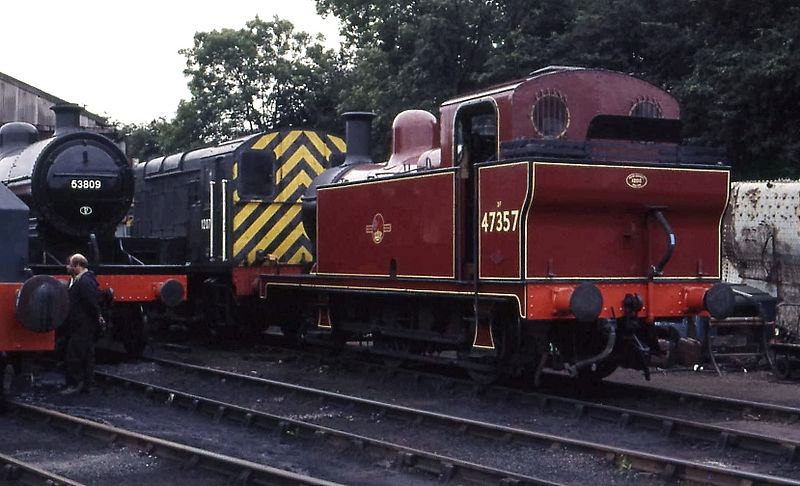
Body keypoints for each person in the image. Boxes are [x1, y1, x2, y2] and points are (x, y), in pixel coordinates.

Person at [60, 253, 104, 395]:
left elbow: (91, 302)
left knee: (75, 354)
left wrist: (98, 316)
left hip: (83, 324)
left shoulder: (85, 282)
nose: (67, 267)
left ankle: (74, 384)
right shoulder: (78, 279)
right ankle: (87, 385)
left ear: (78, 266)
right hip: (80, 323)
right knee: (87, 354)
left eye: (70, 265)